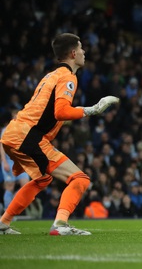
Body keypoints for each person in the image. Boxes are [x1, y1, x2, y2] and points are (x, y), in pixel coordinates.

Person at [0, 33, 119, 235]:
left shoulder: (51, 75)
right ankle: (60, 225)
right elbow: (60, 111)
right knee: (80, 179)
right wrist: (93, 109)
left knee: (43, 179)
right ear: (73, 53)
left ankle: (3, 223)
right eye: (81, 48)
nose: (84, 52)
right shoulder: (67, 77)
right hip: (28, 135)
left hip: (15, 132)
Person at [1, 110, 30, 209]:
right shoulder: (6, 129)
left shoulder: (23, 129)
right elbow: (1, 146)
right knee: (10, 186)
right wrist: (4, 161)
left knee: (26, 186)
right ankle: (7, 211)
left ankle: (12, 206)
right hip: (9, 161)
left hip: (20, 161)